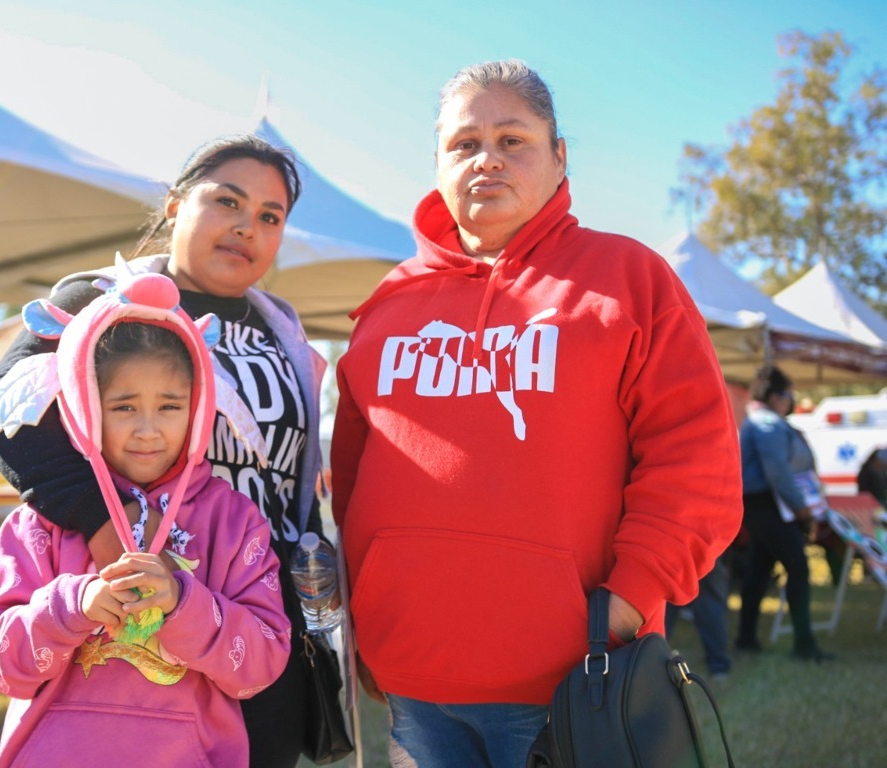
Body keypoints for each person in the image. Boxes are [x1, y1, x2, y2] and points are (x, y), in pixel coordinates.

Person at [329, 59, 742, 768]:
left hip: (574, 682)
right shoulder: (387, 304)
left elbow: (695, 457)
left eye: (512, 139)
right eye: (463, 144)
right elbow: (352, 478)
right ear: (437, 164)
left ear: (559, 157)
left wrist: (628, 598)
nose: (486, 159)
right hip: (414, 684)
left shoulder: (629, 279)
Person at [0, 134, 326, 767]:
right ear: (174, 205)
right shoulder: (97, 300)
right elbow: (11, 420)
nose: (247, 227)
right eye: (228, 201)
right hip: (123, 588)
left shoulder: (285, 329)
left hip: (248, 607)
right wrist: (105, 527)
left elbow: (294, 477)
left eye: (269, 217)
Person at [0, 273, 290, 767]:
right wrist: (72, 606)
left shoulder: (235, 521)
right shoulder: (38, 525)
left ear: (200, 409)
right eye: (123, 407)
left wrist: (184, 602)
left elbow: (260, 667)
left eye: (169, 406)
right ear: (83, 405)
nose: (147, 429)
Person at [735, 364, 835, 662]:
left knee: (758, 570)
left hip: (768, 504)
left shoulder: (766, 421)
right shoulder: (766, 423)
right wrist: (801, 509)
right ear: (777, 396)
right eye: (789, 394)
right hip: (769, 504)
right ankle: (804, 643)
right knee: (798, 567)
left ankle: (746, 638)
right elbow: (778, 471)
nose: (791, 400)